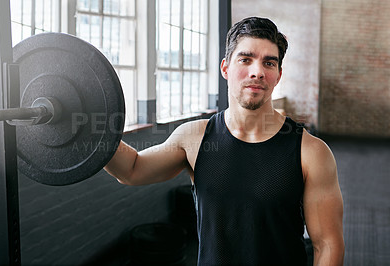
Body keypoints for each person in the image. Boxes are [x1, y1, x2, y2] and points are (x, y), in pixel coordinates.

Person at [104, 17, 344, 265]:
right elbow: (131, 170)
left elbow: (327, 244)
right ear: (225, 68)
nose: (257, 71)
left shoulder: (311, 152)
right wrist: (91, 131)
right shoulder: (194, 138)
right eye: (246, 59)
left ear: (278, 75)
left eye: (269, 63)